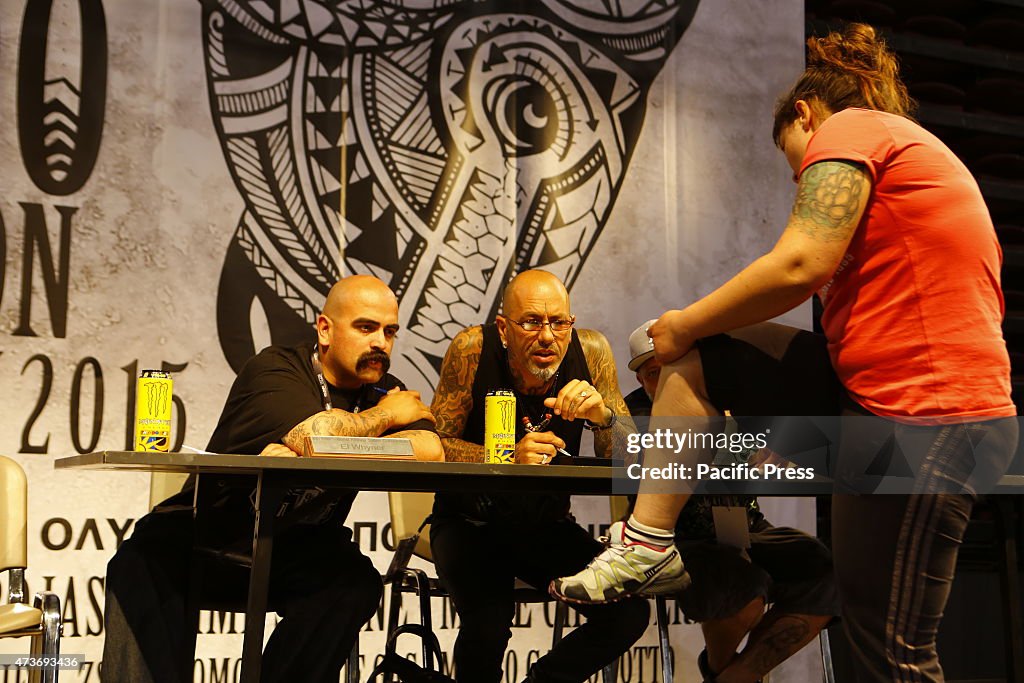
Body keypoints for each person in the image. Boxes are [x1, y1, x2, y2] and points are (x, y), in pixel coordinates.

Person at [552, 24, 1018, 683]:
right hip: (876, 407)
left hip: (934, 422)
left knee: (892, 657)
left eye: (797, 162)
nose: (803, 173)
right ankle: (646, 543)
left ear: (805, 114)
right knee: (710, 357)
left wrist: (682, 322)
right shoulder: (907, 162)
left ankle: (654, 545)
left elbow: (801, 260)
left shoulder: (853, 128)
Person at [102, 275, 442, 683]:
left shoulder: (387, 389)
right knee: (140, 562)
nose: (381, 343)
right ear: (325, 329)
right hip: (212, 535)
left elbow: (429, 448)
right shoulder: (274, 368)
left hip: (300, 545)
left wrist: (335, 440)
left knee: (353, 583)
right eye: (366, 327)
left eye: (390, 332)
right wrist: (384, 420)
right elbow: (317, 434)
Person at [428, 269, 649, 683]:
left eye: (558, 322)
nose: (547, 336)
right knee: (488, 622)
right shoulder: (473, 348)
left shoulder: (593, 351)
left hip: (544, 525)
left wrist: (602, 417)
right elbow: (433, 443)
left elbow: (628, 459)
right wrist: (505, 458)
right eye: (531, 322)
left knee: (628, 610)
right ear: (504, 329)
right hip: (469, 522)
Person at [622, 320, 838, 681]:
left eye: (678, 367)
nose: (671, 380)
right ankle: (723, 670)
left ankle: (734, 677)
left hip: (748, 528)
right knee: (742, 588)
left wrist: (781, 449)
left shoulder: (736, 399)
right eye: (655, 373)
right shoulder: (634, 416)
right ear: (641, 381)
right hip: (677, 539)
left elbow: (796, 445)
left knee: (827, 573)